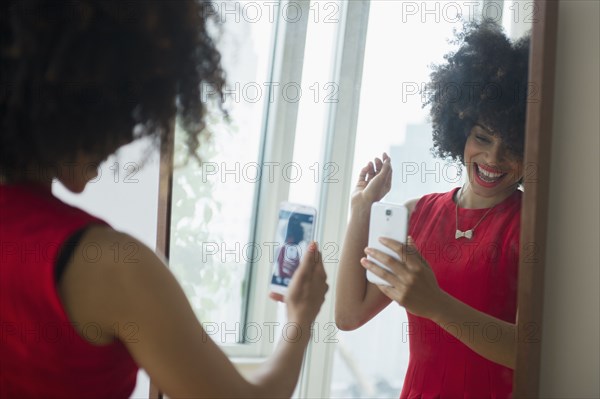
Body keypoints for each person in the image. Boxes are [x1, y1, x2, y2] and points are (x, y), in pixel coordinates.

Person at [0, 1, 328, 398]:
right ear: (74, 101)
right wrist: (300, 319)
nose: (127, 136)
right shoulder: (109, 266)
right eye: (124, 108)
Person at [335, 19, 530, 397]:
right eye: (482, 138)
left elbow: (527, 352)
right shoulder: (417, 215)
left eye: (512, 148)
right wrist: (361, 210)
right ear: (460, 131)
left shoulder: (531, 226)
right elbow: (349, 315)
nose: (493, 157)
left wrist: (436, 304)